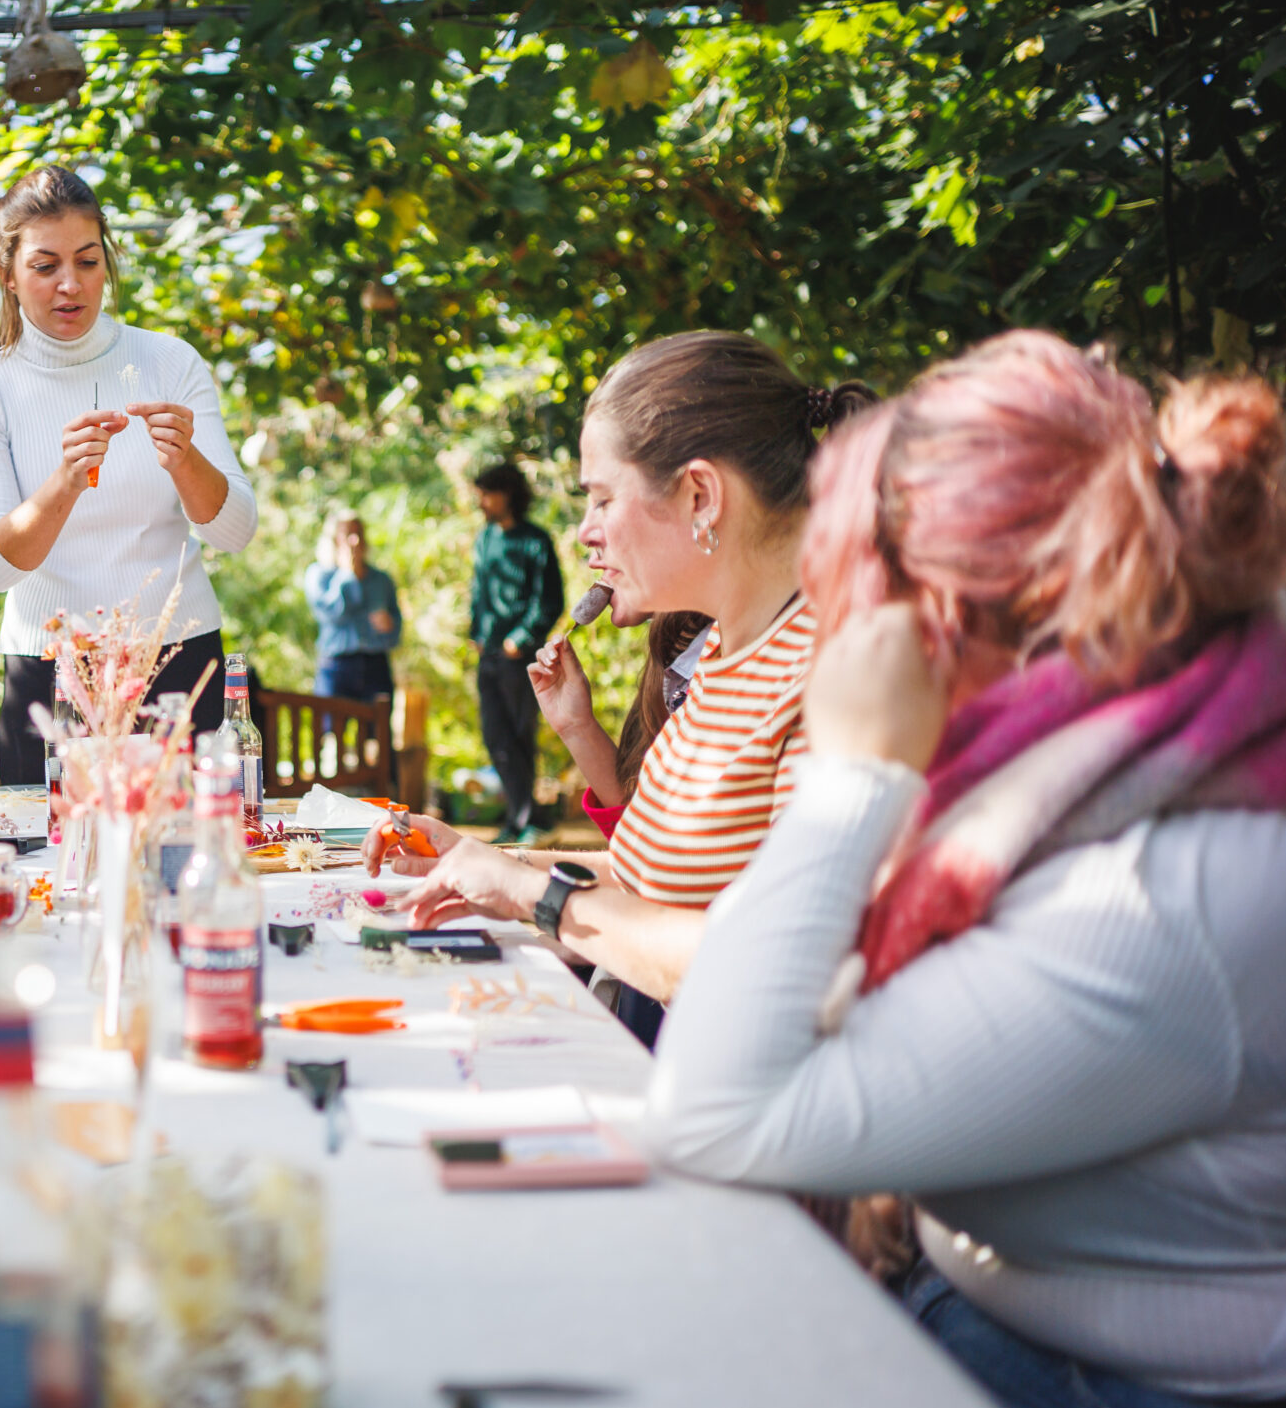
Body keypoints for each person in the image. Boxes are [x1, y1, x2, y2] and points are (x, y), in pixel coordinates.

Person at [643, 336, 1286, 1408]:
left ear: (926, 620)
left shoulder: (1161, 884)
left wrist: (850, 774)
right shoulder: (1115, 759)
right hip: (1004, 1331)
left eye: (846, 600)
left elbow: (716, 1110)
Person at [368, 333, 873, 1034]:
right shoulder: (725, 649)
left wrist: (527, 888)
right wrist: (476, 859)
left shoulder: (838, 672)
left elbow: (783, 971)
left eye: (602, 499)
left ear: (701, 494)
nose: (584, 533)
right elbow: (645, 882)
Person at [0, 164, 258, 785]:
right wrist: (65, 479)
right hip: (51, 671)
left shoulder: (170, 361)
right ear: (9, 275)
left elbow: (234, 532)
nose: (70, 285)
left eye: (88, 262)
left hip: (179, 665)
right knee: (53, 869)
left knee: (184, 862)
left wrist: (185, 459)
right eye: (45, 266)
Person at [528, 606, 711, 841]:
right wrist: (576, 725)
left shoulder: (725, 664)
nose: (594, 566)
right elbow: (638, 835)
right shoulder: (671, 664)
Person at [466, 460, 563, 844]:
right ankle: (525, 816)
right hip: (488, 654)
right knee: (495, 735)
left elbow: (550, 600)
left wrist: (521, 639)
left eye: (488, 494)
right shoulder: (486, 538)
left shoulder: (536, 541)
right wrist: (476, 632)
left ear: (508, 494)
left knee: (521, 735)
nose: (482, 503)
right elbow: (478, 591)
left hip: (519, 658)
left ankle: (524, 820)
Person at [303, 506, 401, 701]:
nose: (354, 541)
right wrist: (348, 574)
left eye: (358, 534)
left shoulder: (381, 579)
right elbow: (330, 615)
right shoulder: (319, 575)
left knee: (378, 731)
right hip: (336, 667)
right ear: (334, 541)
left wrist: (389, 626)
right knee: (330, 731)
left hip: (376, 667)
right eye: (347, 535)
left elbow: (396, 630)